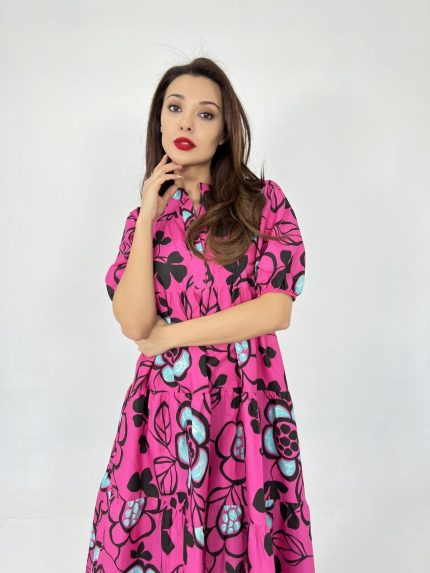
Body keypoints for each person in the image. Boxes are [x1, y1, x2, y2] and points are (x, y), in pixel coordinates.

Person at [86, 57, 315, 573]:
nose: (186, 122)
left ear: (225, 132)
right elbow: (134, 324)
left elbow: (275, 309)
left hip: (244, 404)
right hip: (164, 413)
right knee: (156, 542)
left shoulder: (262, 202)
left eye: (205, 114)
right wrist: (149, 212)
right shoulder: (143, 221)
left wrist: (172, 338)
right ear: (159, 123)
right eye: (175, 108)